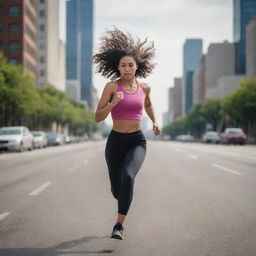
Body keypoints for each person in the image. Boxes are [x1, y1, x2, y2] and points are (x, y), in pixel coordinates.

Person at [93, 27, 161, 240]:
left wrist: (155, 121)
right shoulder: (111, 87)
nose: (127, 68)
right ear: (118, 67)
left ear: (137, 66)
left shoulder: (145, 87)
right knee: (117, 189)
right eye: (123, 65)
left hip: (136, 141)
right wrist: (113, 102)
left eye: (130, 65)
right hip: (115, 141)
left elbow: (148, 104)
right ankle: (122, 198)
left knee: (129, 177)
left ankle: (119, 226)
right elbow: (98, 117)